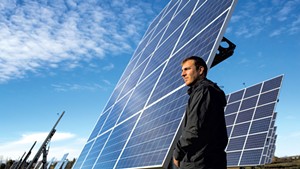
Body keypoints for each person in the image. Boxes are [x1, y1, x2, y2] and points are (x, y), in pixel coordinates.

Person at [173, 56, 228, 169]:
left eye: (187, 69)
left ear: (200, 70)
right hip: (209, 161)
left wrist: (177, 153)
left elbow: (193, 130)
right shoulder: (207, 91)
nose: (182, 74)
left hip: (198, 163)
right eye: (182, 70)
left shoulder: (203, 91)